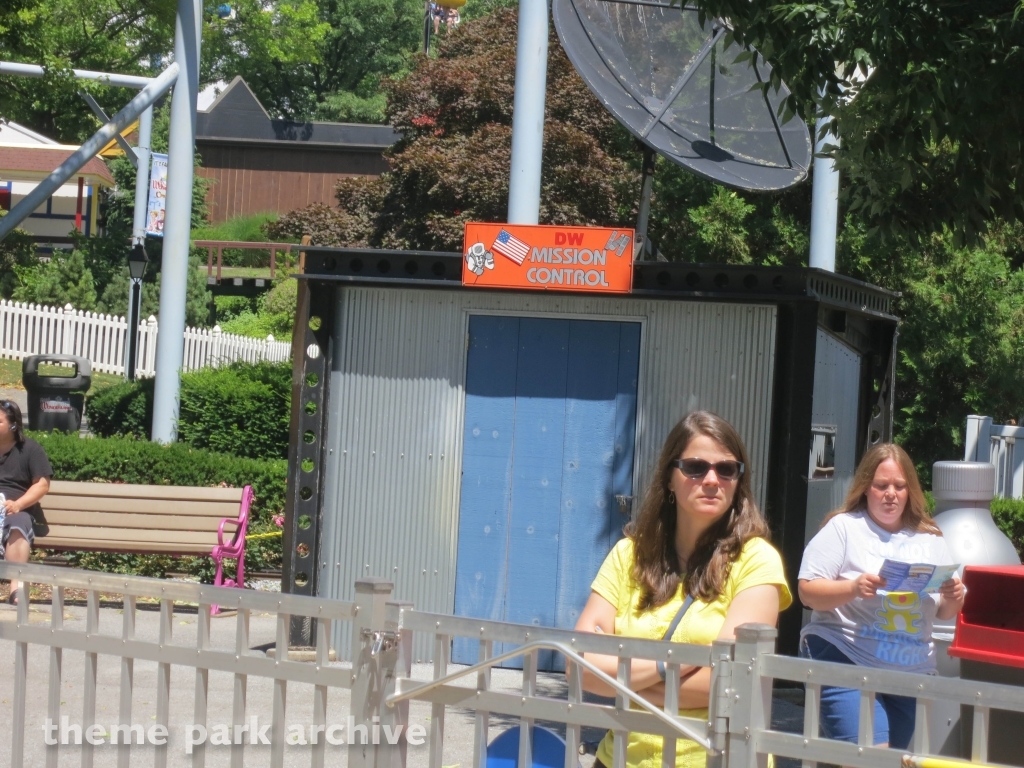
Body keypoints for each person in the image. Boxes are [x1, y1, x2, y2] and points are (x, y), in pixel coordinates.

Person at [575, 410, 792, 768]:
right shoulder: (628, 554)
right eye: (695, 467)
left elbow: (732, 686)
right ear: (669, 479)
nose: (711, 480)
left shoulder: (757, 560)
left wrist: (620, 681)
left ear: (739, 481)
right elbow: (579, 666)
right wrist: (670, 663)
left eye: (726, 469)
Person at [798, 443, 965, 750]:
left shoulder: (930, 536)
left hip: (909, 671)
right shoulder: (844, 528)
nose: (891, 493)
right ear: (865, 488)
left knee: (885, 761)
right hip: (846, 659)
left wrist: (954, 594)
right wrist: (852, 587)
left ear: (910, 490)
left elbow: (944, 612)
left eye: (900, 486)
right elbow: (807, 591)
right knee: (872, 758)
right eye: (881, 485)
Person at [0, 400, 52, 606]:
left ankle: (16, 588)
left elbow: (42, 484)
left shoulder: (30, 449)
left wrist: (19, 504)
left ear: (13, 425)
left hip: (16, 508)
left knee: (18, 525)